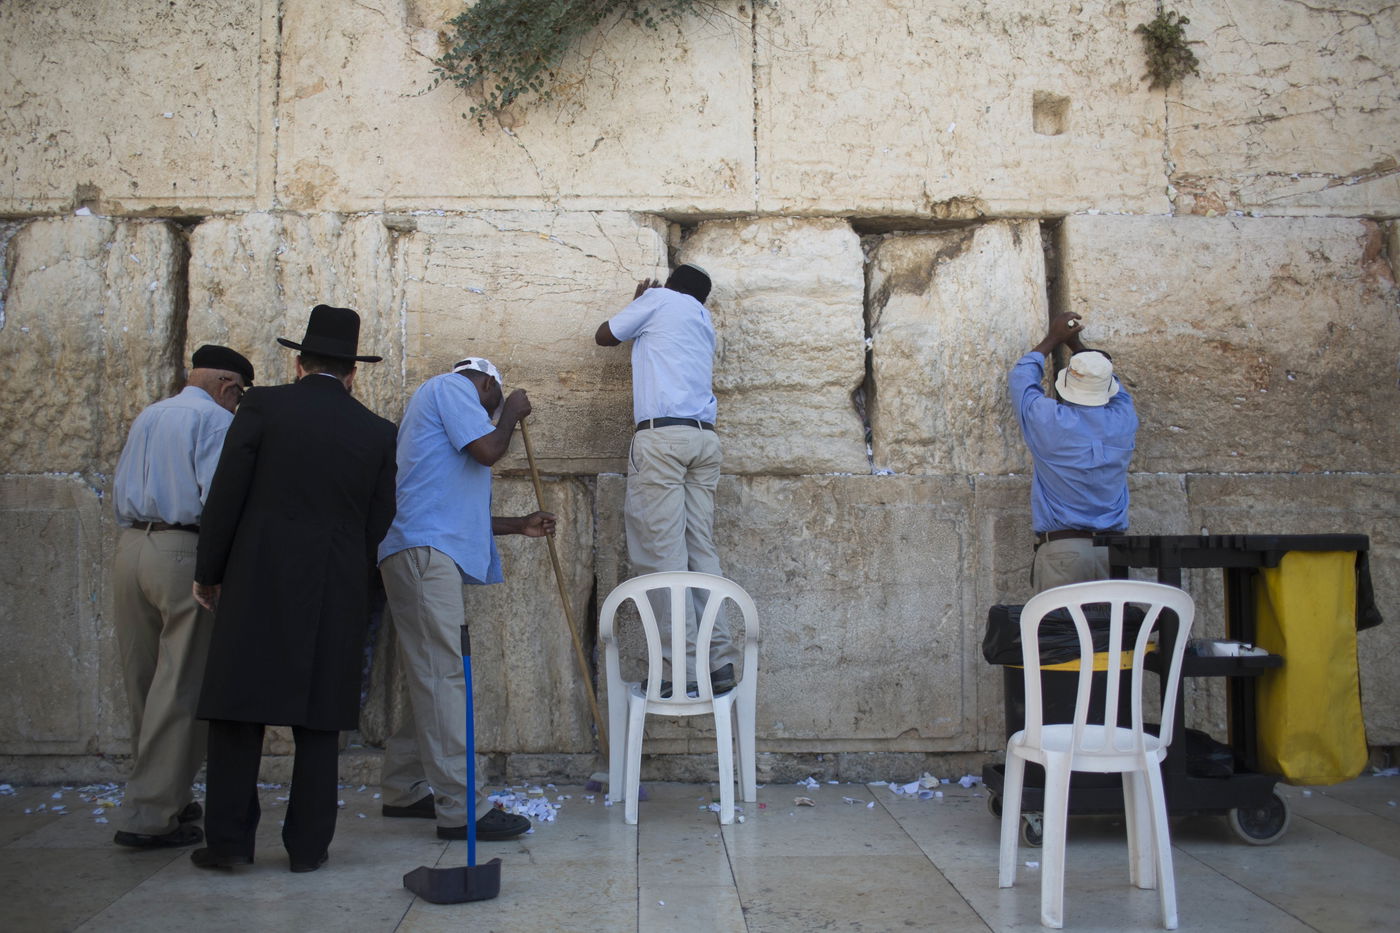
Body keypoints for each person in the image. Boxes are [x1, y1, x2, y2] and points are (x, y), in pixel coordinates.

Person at [189, 305, 398, 873]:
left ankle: (230, 845)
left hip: (258, 579)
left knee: (237, 715)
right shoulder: (377, 432)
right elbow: (380, 523)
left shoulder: (263, 406)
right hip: (334, 589)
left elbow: (226, 495)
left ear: (300, 362)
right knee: (318, 723)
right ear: (353, 372)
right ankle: (308, 849)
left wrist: (210, 572)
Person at [376, 357, 555, 842]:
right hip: (423, 555)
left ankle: (403, 788)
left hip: (424, 551)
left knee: (433, 673)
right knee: (443, 676)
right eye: (498, 393)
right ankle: (461, 810)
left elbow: (452, 508)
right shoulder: (453, 388)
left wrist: (518, 525)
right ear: (489, 382)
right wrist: (511, 413)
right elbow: (487, 451)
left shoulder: (439, 407)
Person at [110, 344, 254, 850]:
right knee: (181, 684)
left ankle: (160, 791)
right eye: (240, 394)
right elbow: (218, 501)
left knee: (144, 682)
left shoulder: (151, 414)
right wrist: (217, 570)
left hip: (131, 548)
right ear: (227, 385)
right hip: (181, 551)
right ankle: (151, 815)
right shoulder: (216, 420)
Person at [594, 264, 738, 696]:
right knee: (700, 553)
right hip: (703, 442)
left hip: (663, 439)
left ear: (670, 285)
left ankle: (682, 675)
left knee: (662, 556)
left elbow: (604, 335)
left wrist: (638, 302)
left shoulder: (657, 302)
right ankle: (719, 662)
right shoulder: (701, 319)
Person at [1009, 311, 1138, 592]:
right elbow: (1111, 384)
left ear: (1066, 387)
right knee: (1110, 634)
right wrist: (1080, 350)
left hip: (1063, 552)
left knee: (1062, 633)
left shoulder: (1049, 420)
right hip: (1112, 552)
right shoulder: (1123, 419)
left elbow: (1021, 378)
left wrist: (1054, 339)